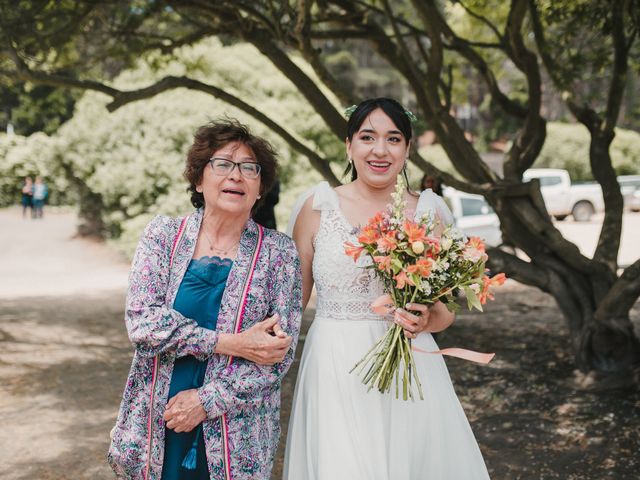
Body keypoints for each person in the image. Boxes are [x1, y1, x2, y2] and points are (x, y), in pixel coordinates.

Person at [283, 98, 490, 479]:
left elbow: (445, 313)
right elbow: (290, 303)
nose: (380, 150)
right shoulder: (317, 207)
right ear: (348, 145)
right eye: (367, 137)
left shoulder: (430, 212)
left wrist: (426, 318)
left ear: (408, 149)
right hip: (334, 366)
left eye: (393, 139)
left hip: (410, 367)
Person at [108, 121, 303, 480]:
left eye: (249, 168)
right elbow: (143, 323)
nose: (237, 175)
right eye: (223, 164)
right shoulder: (163, 236)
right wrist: (231, 343)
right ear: (199, 180)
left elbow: (278, 354)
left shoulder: (279, 253)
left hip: (236, 432)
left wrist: (205, 401)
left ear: (261, 189)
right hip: (158, 420)